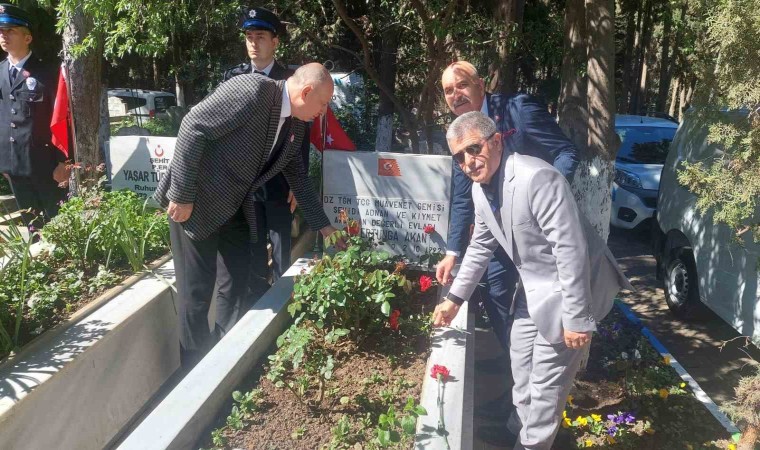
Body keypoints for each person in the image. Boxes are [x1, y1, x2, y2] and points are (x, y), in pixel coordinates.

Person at [433, 111, 633, 450]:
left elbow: (570, 250)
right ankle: (517, 430)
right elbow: (480, 246)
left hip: (571, 292)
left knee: (545, 390)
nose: (467, 162)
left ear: (497, 141)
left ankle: (531, 443)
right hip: (534, 291)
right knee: (521, 368)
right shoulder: (481, 190)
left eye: (473, 148)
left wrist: (576, 318)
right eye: (459, 157)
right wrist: (454, 299)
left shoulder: (537, 178)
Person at [154, 63, 340, 369]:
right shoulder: (252, 90)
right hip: (196, 204)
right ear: (306, 92)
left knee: (237, 285)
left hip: (236, 209)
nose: (323, 112)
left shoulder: (295, 125)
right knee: (196, 295)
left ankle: (221, 361)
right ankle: (193, 373)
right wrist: (183, 195)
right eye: (322, 104)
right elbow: (192, 126)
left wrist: (324, 227)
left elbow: (298, 176)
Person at [436, 61, 579, 422]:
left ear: (481, 85)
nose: (456, 95)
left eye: (462, 85)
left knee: (546, 306)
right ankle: (519, 385)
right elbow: (463, 197)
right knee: (500, 301)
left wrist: (546, 198)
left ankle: (543, 395)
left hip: (541, 234)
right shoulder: (459, 138)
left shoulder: (518, 109)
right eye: (449, 91)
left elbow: (566, 151)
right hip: (497, 234)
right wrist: (453, 251)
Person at [221, 7, 309, 299]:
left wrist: (298, 184)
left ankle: (284, 303)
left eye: (260, 36)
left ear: (275, 42)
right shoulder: (233, 77)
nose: (253, 43)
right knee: (253, 249)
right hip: (244, 185)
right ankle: (258, 304)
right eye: (249, 36)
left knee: (282, 249)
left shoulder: (291, 80)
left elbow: (301, 135)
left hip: (280, 181)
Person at [0, 3, 68, 227]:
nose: (4, 35)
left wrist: (64, 162)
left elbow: (61, 118)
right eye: (1, 31)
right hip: (13, 166)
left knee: (57, 224)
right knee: (32, 226)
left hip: (45, 165)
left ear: (27, 38)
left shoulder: (47, 72)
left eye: (10, 31)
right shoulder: (0, 72)